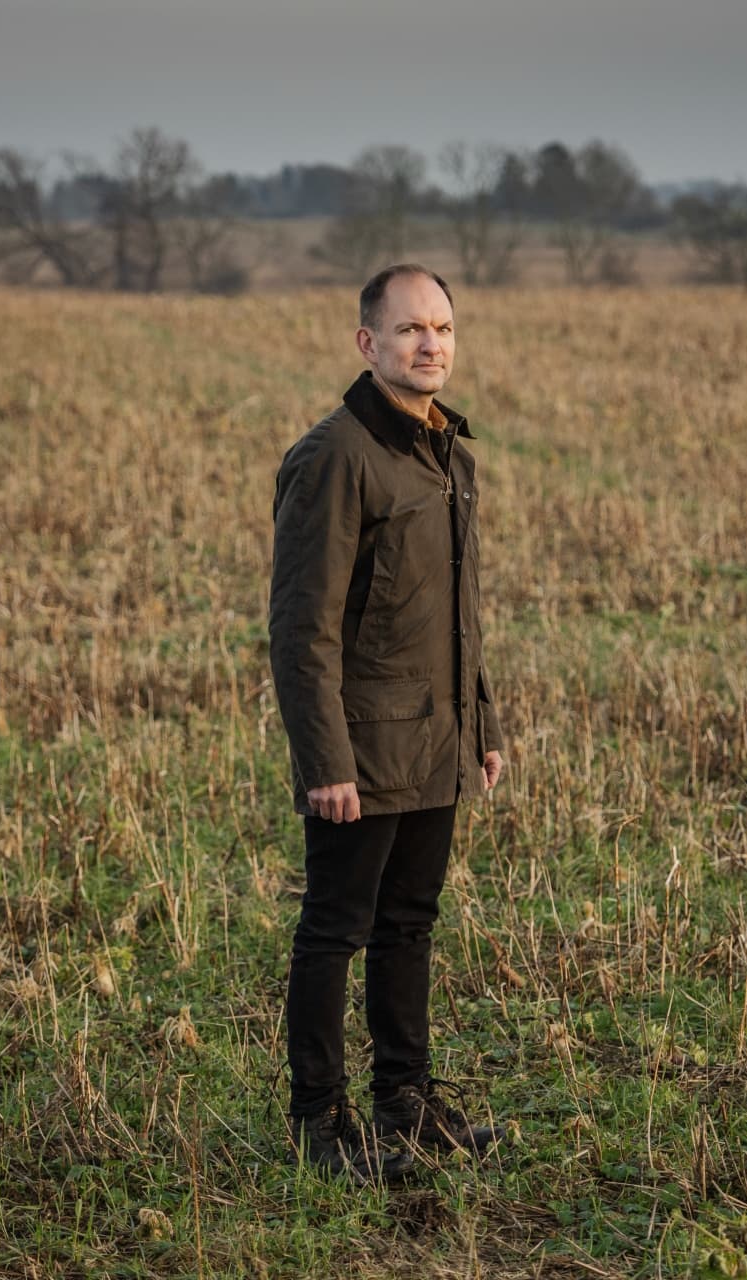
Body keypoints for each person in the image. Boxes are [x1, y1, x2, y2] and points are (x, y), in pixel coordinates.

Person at [269, 263, 506, 1183]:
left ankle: (405, 1105)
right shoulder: (336, 457)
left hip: (435, 740)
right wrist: (325, 759)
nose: (431, 344)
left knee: (410, 923)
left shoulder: (450, 453)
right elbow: (303, 627)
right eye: (410, 330)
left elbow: (458, 613)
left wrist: (481, 725)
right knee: (335, 930)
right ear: (368, 344)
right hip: (361, 752)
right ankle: (321, 1127)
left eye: (443, 328)